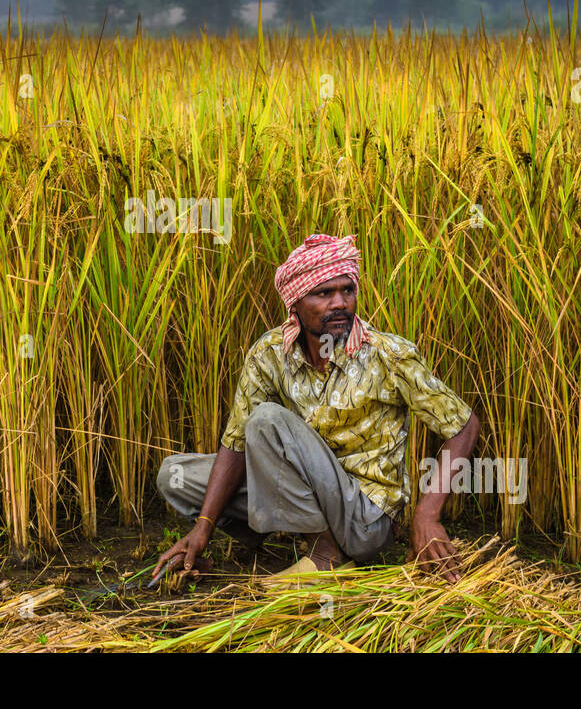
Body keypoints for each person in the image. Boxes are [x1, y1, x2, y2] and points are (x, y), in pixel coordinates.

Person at [152, 232, 480, 586]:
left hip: (364, 518)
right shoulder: (270, 354)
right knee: (176, 475)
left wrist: (427, 514)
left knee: (266, 421)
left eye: (347, 290)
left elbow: (463, 425)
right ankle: (293, 534)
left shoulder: (388, 354)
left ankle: (327, 558)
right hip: (312, 500)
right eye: (324, 293)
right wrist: (204, 529)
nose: (340, 303)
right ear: (295, 303)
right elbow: (234, 444)